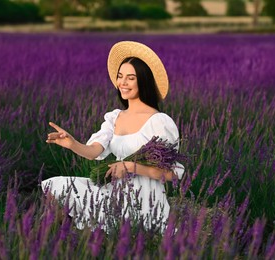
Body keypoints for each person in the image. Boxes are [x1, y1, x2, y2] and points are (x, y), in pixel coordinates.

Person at [42, 41, 184, 231]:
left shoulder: (159, 122)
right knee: (57, 186)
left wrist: (131, 167)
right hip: (114, 188)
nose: (122, 83)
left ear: (144, 81)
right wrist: (72, 143)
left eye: (130, 78)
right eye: (120, 76)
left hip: (143, 197)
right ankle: (51, 242)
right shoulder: (115, 117)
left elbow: (171, 174)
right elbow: (94, 152)